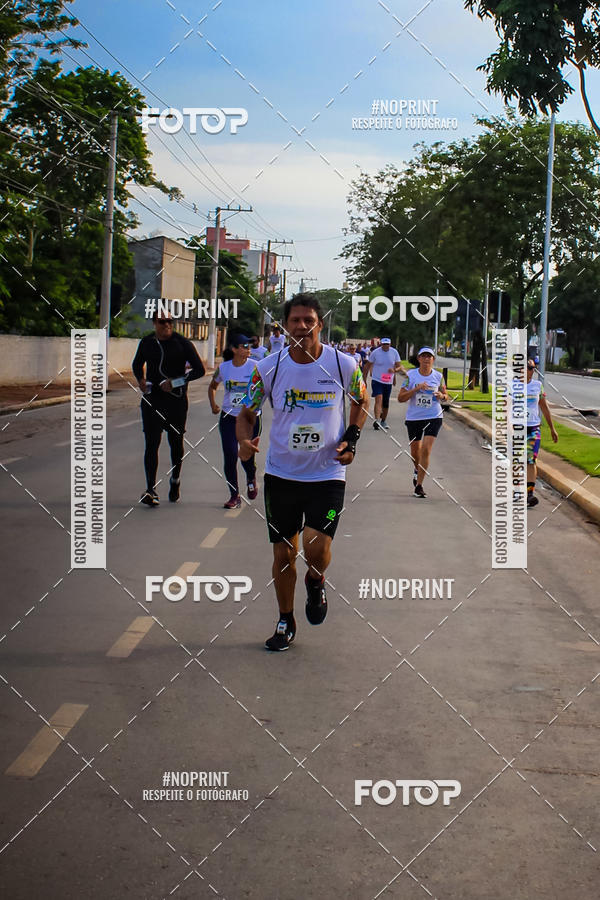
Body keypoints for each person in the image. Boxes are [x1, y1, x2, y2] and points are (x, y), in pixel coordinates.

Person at [237, 293, 369, 651]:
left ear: (319, 324)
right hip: (281, 476)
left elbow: (361, 400)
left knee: (315, 546)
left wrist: (352, 438)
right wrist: (244, 442)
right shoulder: (269, 368)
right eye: (295, 320)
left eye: (308, 320)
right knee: (282, 553)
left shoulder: (342, 365)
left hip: (327, 476)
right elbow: (247, 413)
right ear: (286, 325)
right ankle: (285, 619)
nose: (301, 326)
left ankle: (316, 578)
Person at [133, 309, 205, 506]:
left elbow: (199, 370)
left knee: (175, 443)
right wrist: (141, 379)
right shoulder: (147, 342)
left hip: (176, 401)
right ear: (154, 323)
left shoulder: (182, 343)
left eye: (170, 321)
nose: (167, 325)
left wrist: (176, 382)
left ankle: (175, 479)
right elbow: (137, 364)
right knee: (151, 443)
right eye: (162, 321)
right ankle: (151, 489)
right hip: (153, 399)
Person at [208, 335, 261, 508]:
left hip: (250, 418)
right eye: (244, 346)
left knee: (246, 456)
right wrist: (213, 404)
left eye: (250, 346)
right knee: (230, 456)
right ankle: (234, 495)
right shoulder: (224, 368)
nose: (248, 348)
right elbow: (212, 386)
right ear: (234, 349)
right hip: (228, 417)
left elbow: (262, 389)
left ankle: (251, 478)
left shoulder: (255, 367)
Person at [398, 347, 448, 498]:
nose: (426, 359)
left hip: (434, 415)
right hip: (414, 418)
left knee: (426, 449)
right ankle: (417, 469)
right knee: (415, 452)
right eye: (424, 356)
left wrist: (441, 395)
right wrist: (416, 389)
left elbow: (446, 395)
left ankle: (419, 485)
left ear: (433, 360)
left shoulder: (438, 376)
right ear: (419, 359)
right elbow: (401, 398)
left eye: (429, 357)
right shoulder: (410, 376)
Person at [525, 359, 558, 508]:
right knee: (518, 462)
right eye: (527, 368)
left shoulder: (537, 386)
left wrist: (552, 428)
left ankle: (529, 494)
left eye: (532, 368)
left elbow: (544, 408)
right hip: (517, 428)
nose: (529, 371)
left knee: (531, 460)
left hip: (533, 428)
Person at [365, 338, 405, 431]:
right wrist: (364, 379)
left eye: (387, 344)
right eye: (384, 344)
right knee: (379, 399)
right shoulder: (375, 352)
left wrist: (394, 371)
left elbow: (400, 366)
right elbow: (367, 366)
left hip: (388, 381)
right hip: (377, 379)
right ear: (381, 344)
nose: (385, 346)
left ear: (390, 344)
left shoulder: (394, 352)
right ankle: (377, 420)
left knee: (385, 402)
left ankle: (383, 421)